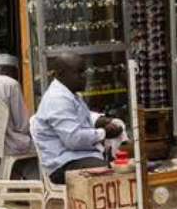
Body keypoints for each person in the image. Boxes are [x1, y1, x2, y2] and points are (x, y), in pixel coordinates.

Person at [31, 52, 124, 184]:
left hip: (78, 156)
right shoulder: (57, 99)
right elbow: (73, 139)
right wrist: (104, 133)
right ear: (62, 73)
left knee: (122, 167)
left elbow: (82, 116)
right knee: (104, 172)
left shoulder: (70, 94)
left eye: (85, 72)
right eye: (79, 72)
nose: (84, 77)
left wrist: (100, 120)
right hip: (63, 163)